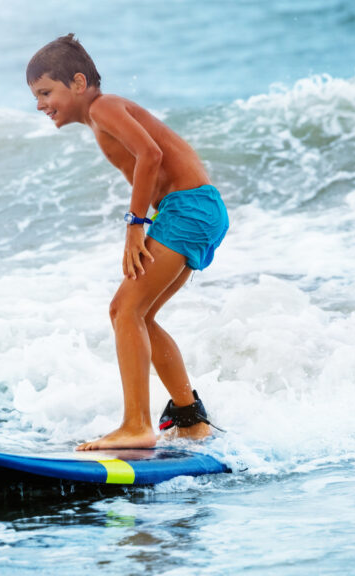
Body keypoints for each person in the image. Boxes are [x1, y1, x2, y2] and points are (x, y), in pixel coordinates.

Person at [26, 34, 228, 451]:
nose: (41, 104)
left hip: (187, 209)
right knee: (140, 315)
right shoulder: (102, 115)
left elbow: (149, 155)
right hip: (192, 209)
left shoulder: (104, 107)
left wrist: (135, 225)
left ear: (78, 84)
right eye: (36, 97)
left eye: (46, 92)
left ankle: (136, 424)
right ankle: (190, 419)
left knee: (125, 309)